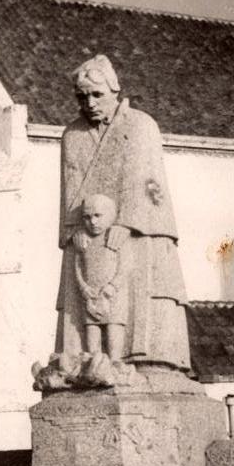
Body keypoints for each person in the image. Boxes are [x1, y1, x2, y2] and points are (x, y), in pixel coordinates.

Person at [55, 54, 191, 371]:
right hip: (89, 237)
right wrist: (72, 230)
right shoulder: (72, 136)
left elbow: (147, 181)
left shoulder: (141, 125)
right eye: (82, 96)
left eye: (96, 94)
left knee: (138, 288)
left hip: (136, 230)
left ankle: (145, 360)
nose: (89, 102)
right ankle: (86, 361)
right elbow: (71, 189)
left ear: (115, 91)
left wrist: (128, 223)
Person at [73, 193, 131, 362]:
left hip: (114, 298)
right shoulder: (83, 241)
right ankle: (95, 371)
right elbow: (78, 266)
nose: (93, 222)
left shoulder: (117, 239)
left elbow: (125, 266)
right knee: (92, 342)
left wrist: (111, 288)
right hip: (90, 298)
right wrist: (84, 288)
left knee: (114, 334)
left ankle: (114, 367)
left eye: (97, 215)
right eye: (87, 217)